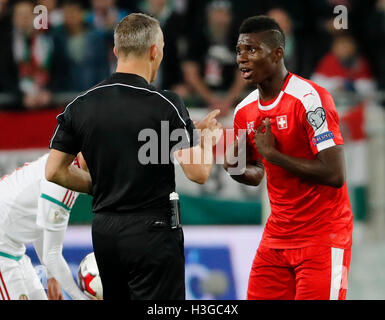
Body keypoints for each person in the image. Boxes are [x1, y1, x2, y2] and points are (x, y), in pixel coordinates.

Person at [45, 13, 223, 300]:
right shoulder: (166, 104)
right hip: (152, 232)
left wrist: (101, 186)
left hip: (104, 232)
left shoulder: (80, 105)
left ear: (116, 51)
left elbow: (54, 171)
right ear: (155, 50)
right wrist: (207, 141)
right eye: (162, 48)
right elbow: (198, 173)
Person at [224, 15, 353, 300]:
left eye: (252, 50)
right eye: (239, 50)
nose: (242, 58)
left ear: (278, 53)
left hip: (323, 236)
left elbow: (334, 174)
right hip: (277, 238)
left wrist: (274, 155)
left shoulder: (310, 99)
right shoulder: (244, 111)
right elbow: (256, 174)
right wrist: (235, 168)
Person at [0, 153, 89, 300]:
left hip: (13, 249)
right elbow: (52, 255)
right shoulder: (63, 180)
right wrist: (81, 297)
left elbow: (41, 222)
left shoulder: (63, 163)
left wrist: (51, 276)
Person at [182, 0, 247, 117]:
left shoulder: (239, 39)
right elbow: (190, 72)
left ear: (230, 17)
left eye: (223, 14)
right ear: (208, 15)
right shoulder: (197, 38)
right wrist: (212, 100)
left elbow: (244, 73)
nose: (220, 19)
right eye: (216, 14)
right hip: (202, 96)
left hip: (233, 96)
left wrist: (228, 100)